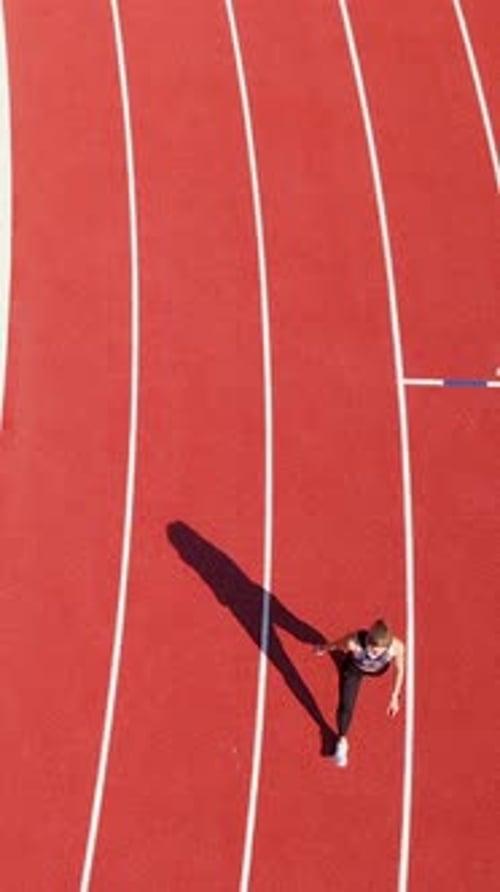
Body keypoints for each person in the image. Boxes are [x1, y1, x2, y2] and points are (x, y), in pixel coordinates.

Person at [314, 619, 405, 767]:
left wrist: (395, 696)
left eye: (379, 650)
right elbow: (338, 644)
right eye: (371, 646)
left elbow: (399, 669)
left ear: (387, 646)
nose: (374, 651)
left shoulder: (397, 647)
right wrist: (325, 648)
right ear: (368, 639)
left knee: (373, 668)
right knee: (346, 705)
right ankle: (342, 740)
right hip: (354, 670)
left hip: (377, 671)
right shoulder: (354, 642)